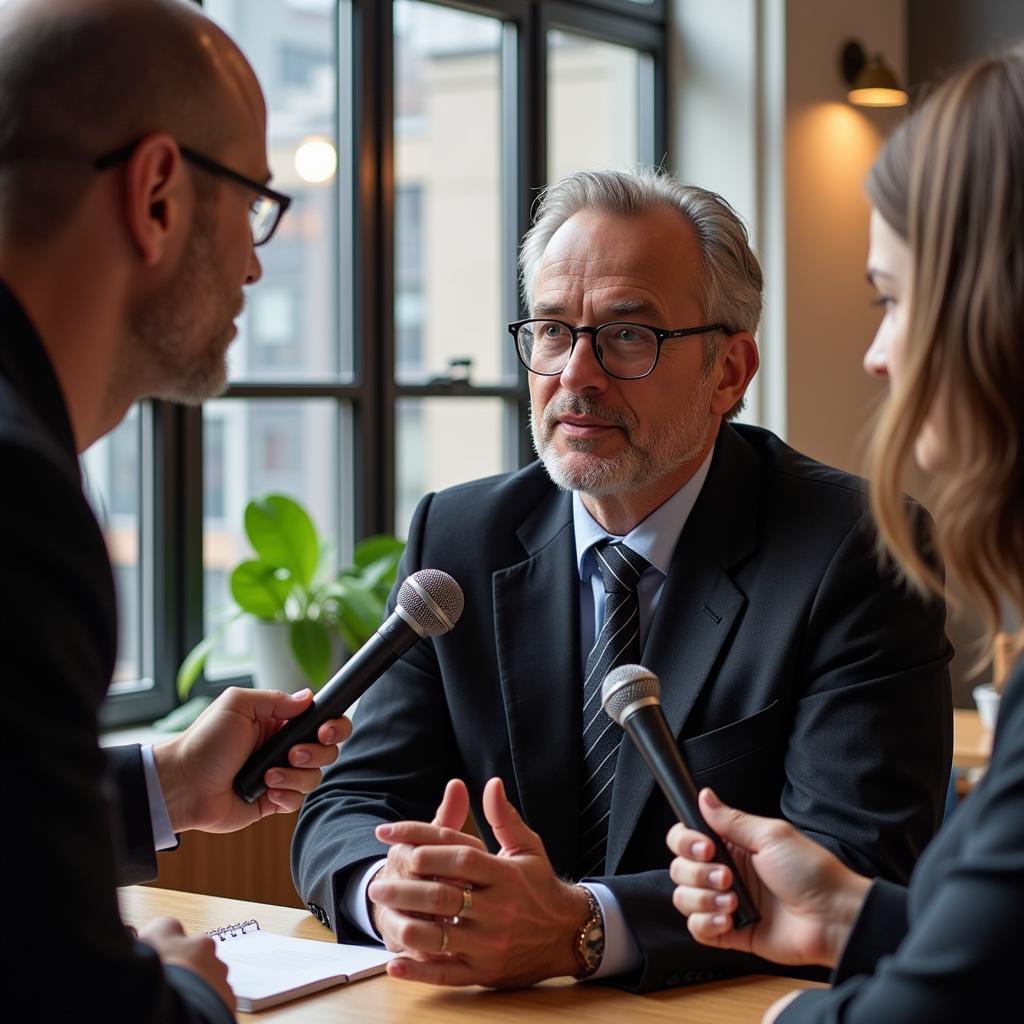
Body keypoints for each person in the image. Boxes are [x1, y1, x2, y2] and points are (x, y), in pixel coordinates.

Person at [291, 166, 953, 992]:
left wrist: (586, 928)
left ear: (728, 371)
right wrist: (389, 892)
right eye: (553, 331)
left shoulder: (854, 547)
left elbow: (857, 861)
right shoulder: (458, 536)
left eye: (628, 336)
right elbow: (348, 804)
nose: (576, 373)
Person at [0, 1, 350, 1020]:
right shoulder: (18, 496)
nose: (252, 262)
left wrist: (169, 785)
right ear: (156, 195)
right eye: (249, 208)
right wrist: (187, 990)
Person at [666, 44, 1024, 1023]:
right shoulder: (457, 525)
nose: (874, 356)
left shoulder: (844, 545)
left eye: (892, 299)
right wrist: (848, 918)